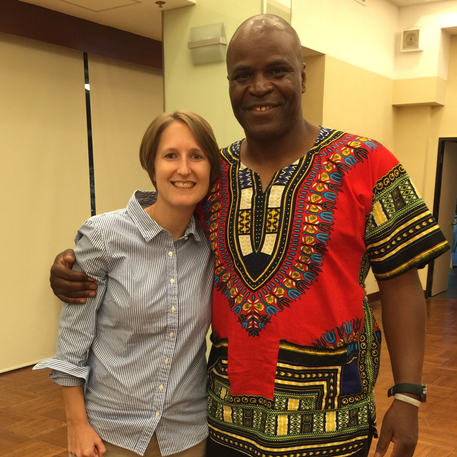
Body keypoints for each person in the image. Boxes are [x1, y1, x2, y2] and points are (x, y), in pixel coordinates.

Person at [49, 15, 449, 457]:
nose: (259, 87)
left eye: (277, 70)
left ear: (302, 75)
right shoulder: (212, 176)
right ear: (230, 86)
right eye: (243, 75)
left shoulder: (366, 163)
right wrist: (76, 264)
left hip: (332, 420)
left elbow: (401, 285)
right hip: (224, 421)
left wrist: (407, 395)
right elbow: (156, 235)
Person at [36, 110, 220, 457]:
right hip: (111, 432)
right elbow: (73, 340)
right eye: (171, 155)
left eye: (196, 156)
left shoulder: (213, 243)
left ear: (211, 167)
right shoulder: (104, 235)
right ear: (152, 166)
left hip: (187, 432)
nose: (184, 169)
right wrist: (76, 424)